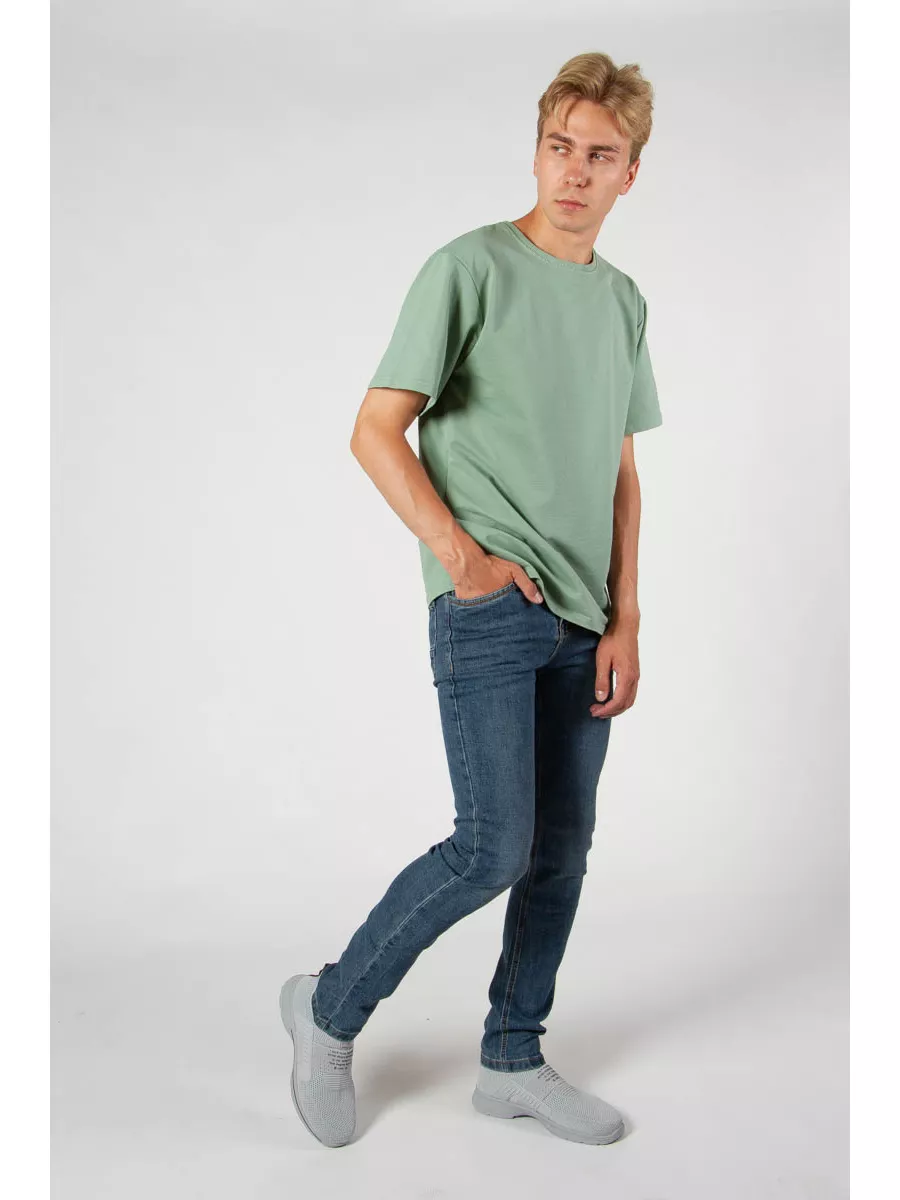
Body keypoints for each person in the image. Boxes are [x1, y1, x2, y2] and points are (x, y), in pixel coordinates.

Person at [279, 50, 662, 1148]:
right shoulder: (469, 268)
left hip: (585, 620)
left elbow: (621, 472)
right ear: (535, 152)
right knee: (493, 846)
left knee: (561, 852)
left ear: (631, 172)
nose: (574, 172)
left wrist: (627, 616)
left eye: (600, 156)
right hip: (490, 607)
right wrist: (464, 557)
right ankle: (329, 1010)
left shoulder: (623, 301)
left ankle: (512, 1059)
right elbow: (374, 428)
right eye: (559, 147)